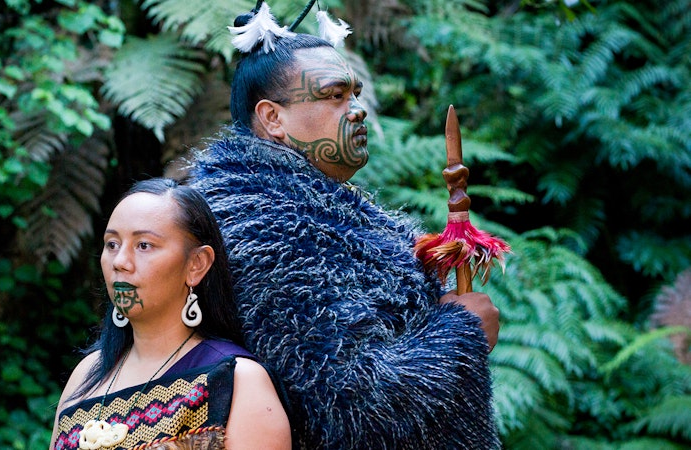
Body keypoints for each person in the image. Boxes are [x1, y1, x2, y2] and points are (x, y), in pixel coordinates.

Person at [187, 3, 501, 449]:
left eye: (354, 93)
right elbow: (351, 402)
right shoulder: (265, 227)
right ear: (272, 118)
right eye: (335, 95)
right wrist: (461, 331)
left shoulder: (306, 205)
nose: (357, 110)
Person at [49, 178, 291, 450]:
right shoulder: (87, 374)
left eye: (144, 245)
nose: (120, 262)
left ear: (196, 265)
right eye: (112, 244)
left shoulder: (238, 380)